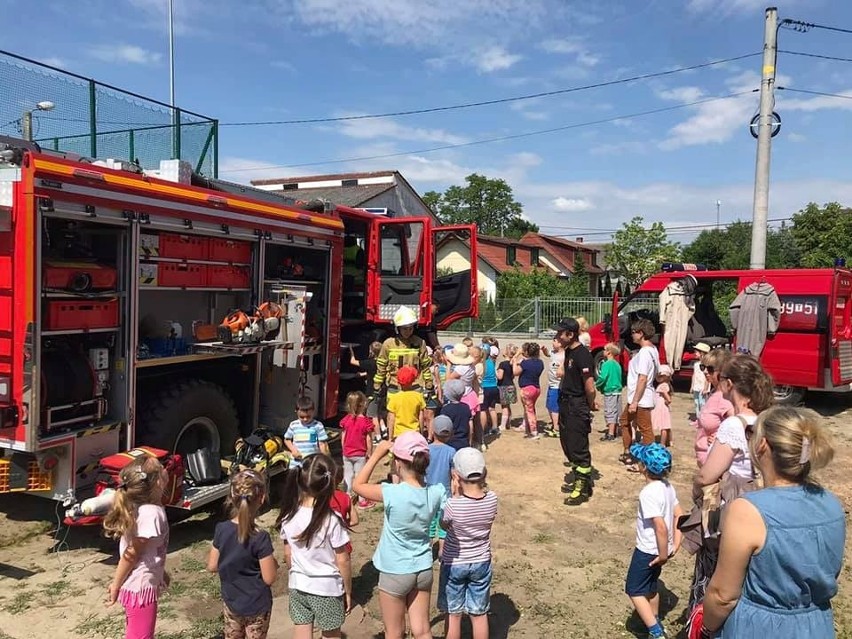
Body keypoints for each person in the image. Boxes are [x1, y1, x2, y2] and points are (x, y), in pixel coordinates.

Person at [699, 406, 846, 638]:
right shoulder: (831, 504)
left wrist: (707, 626)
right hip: (816, 625)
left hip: (759, 627)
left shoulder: (747, 510)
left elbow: (723, 595)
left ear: (763, 445)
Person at [687, 354, 774, 608]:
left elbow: (708, 474)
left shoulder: (733, 425)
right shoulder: (766, 420)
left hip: (731, 506)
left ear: (729, 384)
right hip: (760, 502)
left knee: (716, 565)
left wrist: (697, 487)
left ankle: (706, 620)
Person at [353, 433, 447, 639]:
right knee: (422, 630)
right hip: (423, 568)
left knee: (394, 632)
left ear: (397, 463)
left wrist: (376, 454)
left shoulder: (391, 493)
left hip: (394, 570)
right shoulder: (436, 492)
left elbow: (357, 485)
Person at [277, 454, 352, 639]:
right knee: (331, 634)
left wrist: (297, 572)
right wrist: (348, 590)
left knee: (301, 631)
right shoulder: (332, 519)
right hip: (326, 587)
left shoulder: (288, 515)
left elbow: (288, 555)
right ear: (331, 484)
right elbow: (343, 559)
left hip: (298, 585)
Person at [103, 456, 171, 639]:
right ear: (158, 481)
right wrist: (115, 585)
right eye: (162, 467)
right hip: (140, 589)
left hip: (141, 586)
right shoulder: (152, 513)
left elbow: (147, 551)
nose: (166, 469)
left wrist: (160, 572)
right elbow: (131, 554)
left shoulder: (145, 508)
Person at [207, 469, 278, 639]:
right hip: (257, 605)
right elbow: (269, 578)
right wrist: (273, 564)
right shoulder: (260, 537)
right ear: (261, 498)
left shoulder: (221, 529)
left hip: (232, 602)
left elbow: (212, 566)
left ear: (231, 497)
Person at [625, 443, 683, 639]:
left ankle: (656, 632)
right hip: (661, 549)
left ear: (643, 467)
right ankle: (654, 619)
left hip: (649, 551)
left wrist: (663, 554)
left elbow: (660, 526)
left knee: (633, 590)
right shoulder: (668, 487)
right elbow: (679, 515)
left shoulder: (648, 493)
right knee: (650, 588)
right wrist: (675, 543)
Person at [439, 448, 498, 639]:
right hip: (481, 561)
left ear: (455, 475)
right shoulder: (492, 499)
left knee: (454, 614)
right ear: (484, 473)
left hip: (454, 563)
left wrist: (455, 495)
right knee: (479, 614)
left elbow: (443, 524)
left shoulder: (452, 505)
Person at [553, 318, 598, 506]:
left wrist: (590, 404)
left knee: (578, 447)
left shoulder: (582, 355)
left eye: (560, 333)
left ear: (570, 335)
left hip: (577, 404)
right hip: (565, 403)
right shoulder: (569, 352)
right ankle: (578, 480)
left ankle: (582, 487)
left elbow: (590, 387)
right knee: (567, 444)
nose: (556, 337)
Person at [620, 320, 660, 470]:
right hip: (639, 397)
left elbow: (642, 378)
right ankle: (629, 451)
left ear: (641, 333)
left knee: (645, 430)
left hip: (641, 398)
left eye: (633, 332)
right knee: (624, 420)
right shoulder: (653, 350)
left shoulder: (644, 353)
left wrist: (635, 401)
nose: (632, 335)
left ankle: (645, 463)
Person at [373, 305, 434, 398]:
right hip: (394, 386)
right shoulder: (389, 344)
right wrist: (377, 385)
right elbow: (381, 365)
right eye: (405, 329)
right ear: (398, 328)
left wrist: (429, 384)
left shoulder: (419, 342)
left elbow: (425, 365)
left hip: (415, 386)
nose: (408, 331)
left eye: (411, 328)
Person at [693, 348, 734, 467]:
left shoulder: (725, 398)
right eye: (703, 367)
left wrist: (720, 437)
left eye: (710, 369)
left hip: (716, 463)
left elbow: (738, 424)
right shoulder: (713, 393)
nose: (705, 372)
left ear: (722, 372)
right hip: (705, 460)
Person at [426, 415, 456, 555]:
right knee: (444, 524)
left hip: (429, 492)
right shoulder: (451, 451)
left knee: (430, 523)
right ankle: (442, 552)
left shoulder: (426, 450)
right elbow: (454, 475)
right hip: (446, 492)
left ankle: (428, 549)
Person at [339, 391, 374, 507]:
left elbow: (343, 436)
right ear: (363, 405)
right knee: (361, 476)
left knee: (348, 475)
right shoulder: (366, 422)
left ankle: (347, 497)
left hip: (347, 453)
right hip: (360, 454)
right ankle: (362, 500)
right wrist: (370, 452)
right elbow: (368, 439)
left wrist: (343, 448)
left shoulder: (346, 420)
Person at [284, 396, 330, 468]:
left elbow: (322, 444)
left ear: (313, 411)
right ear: (296, 411)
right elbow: (287, 439)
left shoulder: (318, 425)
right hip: (296, 462)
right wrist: (293, 450)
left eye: (308, 416)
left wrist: (324, 458)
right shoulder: (293, 425)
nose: (305, 419)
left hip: (312, 462)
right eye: (302, 417)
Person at [513, 342, 545, 440]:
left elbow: (515, 372)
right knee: (530, 408)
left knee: (529, 410)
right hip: (536, 388)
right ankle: (526, 426)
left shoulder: (525, 363)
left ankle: (534, 432)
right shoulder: (540, 362)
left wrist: (515, 361)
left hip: (527, 389)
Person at [386, 365, 426, 440]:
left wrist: (390, 437)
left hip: (399, 434)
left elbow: (391, 419)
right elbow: (421, 417)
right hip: (414, 433)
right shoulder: (418, 396)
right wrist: (422, 434)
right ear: (413, 380)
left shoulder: (394, 398)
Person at [596, 342, 623, 442]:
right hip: (618, 391)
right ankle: (616, 430)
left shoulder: (606, 364)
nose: (603, 351)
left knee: (610, 411)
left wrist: (597, 385)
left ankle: (611, 434)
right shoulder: (617, 365)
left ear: (609, 353)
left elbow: (603, 377)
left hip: (610, 391)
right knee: (617, 411)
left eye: (605, 349)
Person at [330, 463, 358, 554]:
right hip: (341, 543)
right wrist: (341, 524)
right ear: (341, 479)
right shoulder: (345, 497)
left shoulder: (315, 498)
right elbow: (355, 521)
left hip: (322, 546)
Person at [441, 379, 473, 451]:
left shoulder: (445, 409)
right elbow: (471, 426)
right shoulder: (466, 407)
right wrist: (470, 442)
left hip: (449, 444)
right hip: (464, 443)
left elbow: (444, 429)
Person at [543, 338, 565, 438]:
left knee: (554, 407)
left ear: (560, 344)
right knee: (549, 405)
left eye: (555, 341)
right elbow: (548, 354)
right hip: (551, 384)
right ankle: (555, 423)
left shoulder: (563, 356)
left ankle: (556, 428)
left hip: (557, 385)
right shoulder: (553, 352)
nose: (552, 342)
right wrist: (544, 351)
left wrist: (562, 369)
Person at [480, 346, 500, 437]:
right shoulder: (492, 362)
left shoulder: (481, 363)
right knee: (492, 408)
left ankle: (483, 429)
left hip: (485, 387)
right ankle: (495, 427)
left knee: (483, 409)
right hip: (494, 387)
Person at [651, 365, 673, 449]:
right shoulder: (666, 384)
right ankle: (669, 441)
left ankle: (662, 443)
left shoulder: (662, 386)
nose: (658, 377)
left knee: (663, 426)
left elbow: (668, 398)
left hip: (661, 408)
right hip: (663, 407)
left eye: (661, 376)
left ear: (666, 377)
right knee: (666, 425)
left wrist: (667, 400)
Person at [496, 345, 518, 430]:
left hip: (504, 386)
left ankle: (503, 425)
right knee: (508, 406)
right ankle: (508, 422)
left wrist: (495, 372)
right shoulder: (512, 364)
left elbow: (500, 377)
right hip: (511, 385)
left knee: (504, 406)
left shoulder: (503, 364)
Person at [690, 343, 711, 421]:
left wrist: (705, 388)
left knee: (702, 403)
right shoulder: (696, 364)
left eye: (697, 352)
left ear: (702, 353)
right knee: (696, 402)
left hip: (703, 387)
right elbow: (694, 375)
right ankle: (698, 419)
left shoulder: (706, 365)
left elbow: (707, 378)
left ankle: (702, 419)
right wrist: (692, 386)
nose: (695, 353)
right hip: (696, 386)